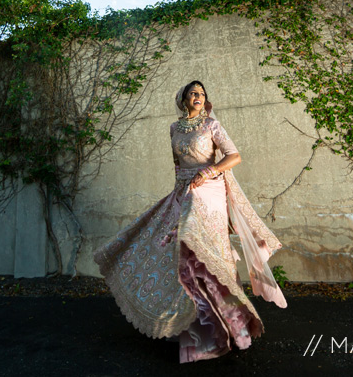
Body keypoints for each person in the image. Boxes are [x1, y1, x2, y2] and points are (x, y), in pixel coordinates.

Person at [93, 81, 287, 363]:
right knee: (181, 253)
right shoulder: (174, 128)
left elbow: (234, 156)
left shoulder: (212, 125)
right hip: (184, 191)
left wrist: (209, 172)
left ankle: (228, 325)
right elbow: (177, 165)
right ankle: (198, 327)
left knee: (190, 239)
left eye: (202, 94)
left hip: (208, 190)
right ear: (183, 99)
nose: (199, 97)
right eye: (193, 93)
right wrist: (177, 194)